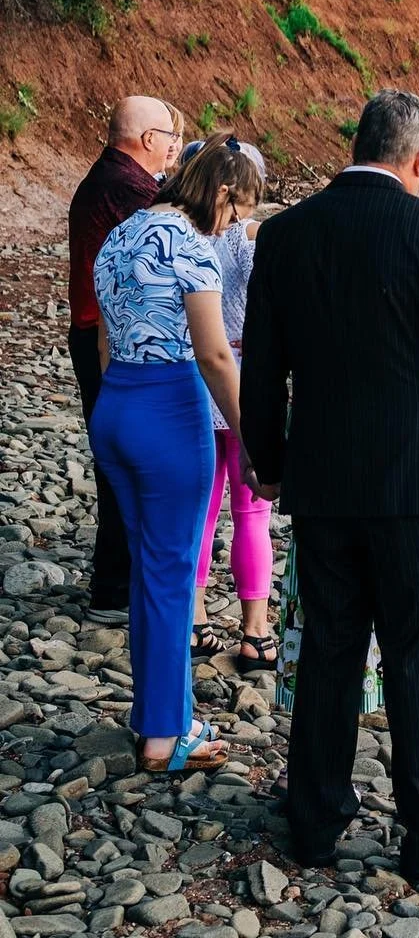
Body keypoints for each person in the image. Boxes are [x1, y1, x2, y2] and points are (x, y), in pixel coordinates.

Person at [241, 88, 419, 880]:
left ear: (356, 141)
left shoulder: (288, 233)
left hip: (323, 477)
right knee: (412, 652)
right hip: (414, 480)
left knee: (329, 644)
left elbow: (264, 366)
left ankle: (316, 813)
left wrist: (271, 460)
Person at [90, 137, 259, 772]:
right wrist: (251, 436)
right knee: (171, 573)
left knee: (149, 573)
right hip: (169, 410)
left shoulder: (123, 231)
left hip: (117, 405)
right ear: (220, 193)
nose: (237, 222)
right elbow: (215, 355)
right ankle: (166, 734)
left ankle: (155, 712)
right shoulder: (193, 248)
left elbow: (104, 335)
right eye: (238, 208)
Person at [68, 97, 184, 623]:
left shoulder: (107, 179)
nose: (172, 148)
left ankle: (118, 579)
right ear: (147, 139)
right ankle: (114, 587)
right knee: (126, 460)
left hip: (100, 333)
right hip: (109, 341)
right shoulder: (129, 188)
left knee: (119, 455)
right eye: (169, 138)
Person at [184, 139, 276, 670]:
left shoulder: (185, 235)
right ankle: (256, 631)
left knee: (202, 508)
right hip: (245, 375)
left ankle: (195, 620)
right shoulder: (251, 238)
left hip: (197, 378)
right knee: (253, 512)